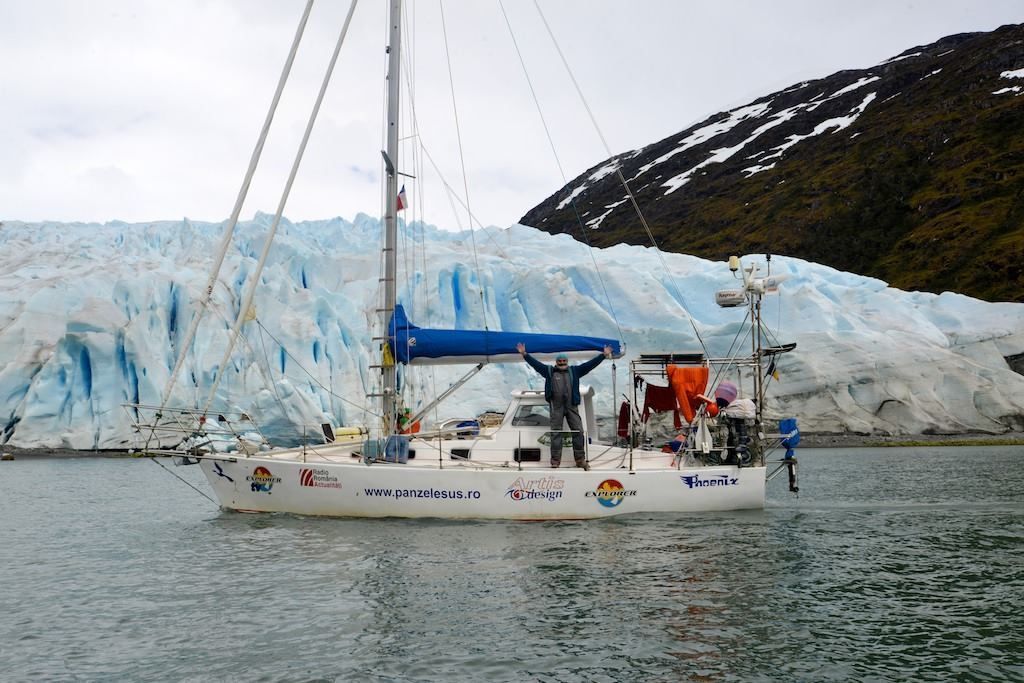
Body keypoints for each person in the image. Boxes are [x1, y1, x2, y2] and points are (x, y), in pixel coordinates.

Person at [516, 342, 612, 470]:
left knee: (578, 431)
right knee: (556, 433)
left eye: (563, 360)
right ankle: (555, 461)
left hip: (571, 406)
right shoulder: (549, 371)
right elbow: (536, 365)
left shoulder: (575, 371)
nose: (561, 362)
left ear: (567, 361)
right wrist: (524, 354)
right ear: (556, 362)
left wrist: (603, 355)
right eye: (559, 361)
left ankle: (580, 460)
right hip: (556, 407)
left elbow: (589, 365)